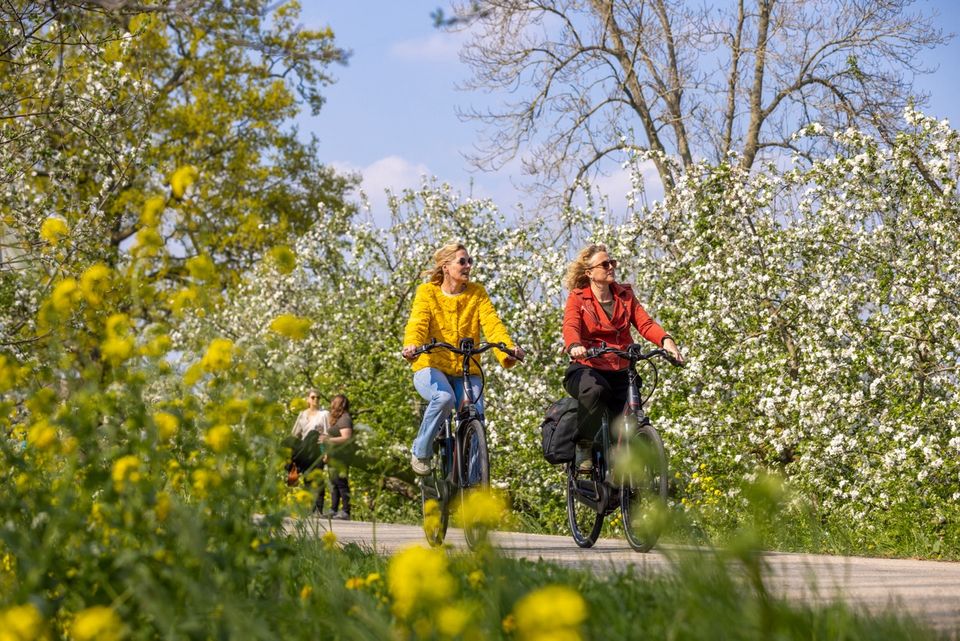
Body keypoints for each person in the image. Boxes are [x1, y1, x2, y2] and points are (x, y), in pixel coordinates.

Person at [401, 242, 525, 475]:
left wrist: (508, 349)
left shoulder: (477, 293)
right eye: (462, 261)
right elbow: (417, 323)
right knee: (444, 397)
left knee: (475, 413)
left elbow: (493, 325)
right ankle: (421, 450)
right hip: (431, 365)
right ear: (446, 266)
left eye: (470, 261)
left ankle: (474, 481)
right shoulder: (427, 292)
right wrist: (413, 345)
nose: (468, 266)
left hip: (466, 368)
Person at [562, 244, 684, 471]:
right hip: (589, 366)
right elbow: (570, 325)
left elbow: (645, 324)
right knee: (595, 392)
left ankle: (630, 474)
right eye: (605, 264)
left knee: (629, 418)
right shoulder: (578, 298)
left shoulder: (625, 295)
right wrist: (575, 344)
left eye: (612, 263)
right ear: (589, 273)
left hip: (621, 367)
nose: (611, 268)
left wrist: (666, 341)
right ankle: (584, 444)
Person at [285, 389, 327, 512]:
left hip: (318, 449)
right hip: (305, 451)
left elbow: (327, 434)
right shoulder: (302, 414)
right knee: (307, 478)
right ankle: (310, 508)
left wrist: (326, 453)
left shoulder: (324, 414)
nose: (316, 400)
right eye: (313, 397)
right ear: (308, 399)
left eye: (318, 397)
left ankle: (318, 509)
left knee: (316, 477)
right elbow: (296, 434)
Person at [316, 393, 354, 520]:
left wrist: (328, 439)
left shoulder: (345, 418)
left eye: (334, 402)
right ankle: (333, 509)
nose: (331, 404)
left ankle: (345, 511)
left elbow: (346, 438)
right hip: (333, 456)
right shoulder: (337, 419)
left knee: (341, 483)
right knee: (333, 483)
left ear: (338, 404)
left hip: (342, 456)